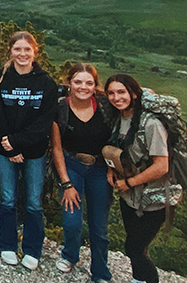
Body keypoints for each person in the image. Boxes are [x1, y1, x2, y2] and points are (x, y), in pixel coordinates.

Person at [0, 31, 58, 270]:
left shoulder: (46, 83)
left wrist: (17, 143)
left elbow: (44, 122)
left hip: (34, 152)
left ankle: (32, 248)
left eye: (27, 49)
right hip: (4, 150)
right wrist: (9, 147)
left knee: (33, 203)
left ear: (35, 52)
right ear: (10, 51)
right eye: (17, 49)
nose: (22, 54)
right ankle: (7, 244)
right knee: (8, 199)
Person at [106, 74, 171, 283]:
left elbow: (161, 166)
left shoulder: (151, 124)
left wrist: (129, 183)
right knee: (137, 247)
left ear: (133, 93)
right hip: (129, 197)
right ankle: (138, 279)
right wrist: (112, 171)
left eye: (121, 92)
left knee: (133, 247)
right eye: (111, 93)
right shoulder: (120, 119)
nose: (116, 97)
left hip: (153, 198)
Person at [51, 63, 113, 282]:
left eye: (89, 83)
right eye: (77, 82)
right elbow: (57, 148)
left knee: (99, 225)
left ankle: (100, 271)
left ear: (96, 86)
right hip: (71, 165)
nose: (83, 87)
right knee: (72, 221)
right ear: (69, 83)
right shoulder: (60, 108)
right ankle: (70, 255)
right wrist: (66, 183)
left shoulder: (106, 107)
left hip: (99, 169)